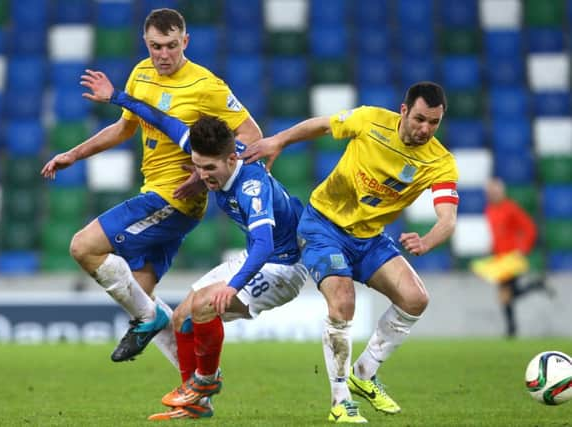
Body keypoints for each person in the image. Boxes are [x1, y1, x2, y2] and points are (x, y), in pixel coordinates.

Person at [79, 70, 308, 420]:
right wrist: (117, 97)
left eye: (209, 169)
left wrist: (231, 288)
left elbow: (263, 246)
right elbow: (162, 119)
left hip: (283, 265)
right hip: (259, 255)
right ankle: (194, 404)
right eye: (198, 167)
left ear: (233, 159)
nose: (203, 175)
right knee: (183, 314)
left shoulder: (251, 185)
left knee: (204, 307)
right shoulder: (210, 156)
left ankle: (204, 383)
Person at [40, 8, 262, 365]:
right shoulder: (140, 74)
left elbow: (252, 137)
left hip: (175, 199)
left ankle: (150, 319)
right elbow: (124, 128)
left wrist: (205, 177)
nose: (163, 55)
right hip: (155, 194)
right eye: (155, 46)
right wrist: (74, 154)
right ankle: (196, 390)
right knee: (138, 293)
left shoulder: (207, 86)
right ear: (146, 42)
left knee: (83, 247)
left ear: (185, 42)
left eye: (171, 46)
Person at [240, 82, 459, 423]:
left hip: (369, 238)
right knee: (343, 301)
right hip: (323, 226)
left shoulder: (440, 161)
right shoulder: (371, 120)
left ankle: (365, 372)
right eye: (419, 119)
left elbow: (447, 219)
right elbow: (323, 124)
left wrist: (428, 240)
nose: (425, 129)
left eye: (434, 123)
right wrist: (279, 140)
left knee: (415, 299)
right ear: (404, 111)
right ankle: (340, 399)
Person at [471, 177, 549, 338]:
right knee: (507, 294)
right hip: (500, 259)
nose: (492, 194)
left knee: (506, 294)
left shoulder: (511, 208)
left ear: (501, 191)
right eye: (490, 192)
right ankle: (535, 287)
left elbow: (529, 227)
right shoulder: (489, 210)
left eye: (494, 191)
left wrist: (523, 248)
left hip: (511, 259)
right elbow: (495, 234)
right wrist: (490, 250)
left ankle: (511, 330)